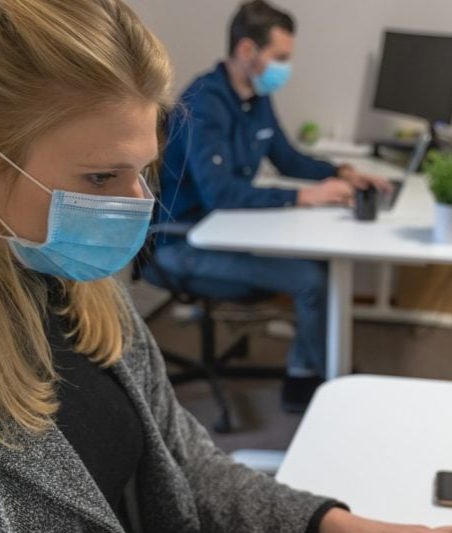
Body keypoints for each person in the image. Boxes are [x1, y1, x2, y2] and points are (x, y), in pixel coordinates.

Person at [0, 1, 452, 533]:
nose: (137, 206)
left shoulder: (80, 290)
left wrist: (332, 525)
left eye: (143, 172)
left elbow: (183, 464)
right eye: (100, 177)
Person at [154, 0, 392, 412]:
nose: (286, 67)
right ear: (248, 51)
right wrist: (303, 196)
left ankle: (317, 365)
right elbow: (221, 194)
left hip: (227, 233)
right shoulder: (205, 103)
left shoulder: (253, 94)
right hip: (184, 243)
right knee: (311, 279)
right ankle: (304, 382)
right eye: (280, 58)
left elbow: (287, 158)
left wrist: (342, 172)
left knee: (316, 268)